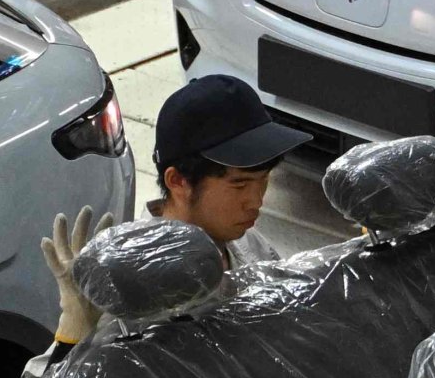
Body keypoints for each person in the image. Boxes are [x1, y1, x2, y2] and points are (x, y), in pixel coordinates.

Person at [41, 72, 310, 342]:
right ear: (178, 180)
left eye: (263, 181)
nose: (256, 201)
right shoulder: (128, 283)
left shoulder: (250, 245)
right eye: (239, 185)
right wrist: (74, 333)